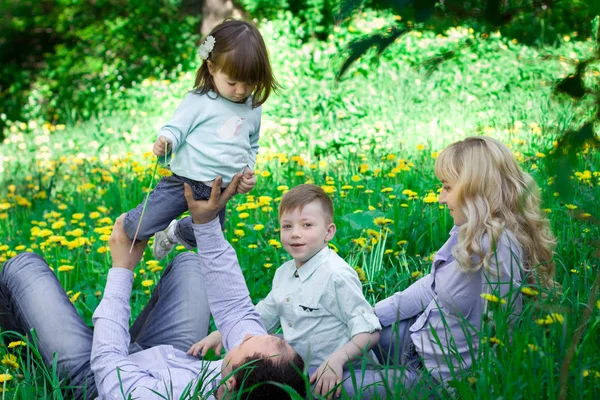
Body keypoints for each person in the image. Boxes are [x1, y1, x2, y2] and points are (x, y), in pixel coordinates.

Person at [0, 175, 306, 400]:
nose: (247, 334)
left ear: (230, 386)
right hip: (175, 355)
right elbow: (235, 307)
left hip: (98, 378)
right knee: (192, 265)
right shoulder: (260, 371)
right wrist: (206, 220)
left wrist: (123, 268)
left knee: (23, 267)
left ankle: (32, 360)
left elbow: (109, 363)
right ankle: (110, 330)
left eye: (243, 344)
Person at [373, 136, 556, 393]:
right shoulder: (472, 230)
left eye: (447, 188)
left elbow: (500, 337)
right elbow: (432, 287)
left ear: (476, 189)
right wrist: (369, 316)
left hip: (439, 380)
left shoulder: (499, 249)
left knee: (327, 388)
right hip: (417, 343)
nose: (440, 198)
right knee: (333, 338)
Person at [189, 184, 382, 399]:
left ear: (329, 232)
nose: (295, 234)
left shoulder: (337, 276)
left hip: (343, 371)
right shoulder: (284, 272)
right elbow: (266, 312)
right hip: (297, 374)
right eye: (287, 226)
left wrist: (337, 360)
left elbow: (369, 331)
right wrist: (222, 332)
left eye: (307, 225)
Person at [123, 18, 278, 259]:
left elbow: (252, 144)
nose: (240, 90)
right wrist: (166, 140)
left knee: (209, 236)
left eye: (249, 83)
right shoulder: (200, 101)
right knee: (135, 228)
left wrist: (247, 170)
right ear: (212, 68)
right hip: (183, 182)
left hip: (219, 190)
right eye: (232, 82)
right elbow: (177, 128)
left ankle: (173, 232)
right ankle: (131, 221)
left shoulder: (252, 107)